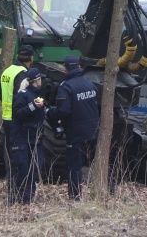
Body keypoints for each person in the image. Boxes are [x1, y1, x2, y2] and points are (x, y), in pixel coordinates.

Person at [46, 55, 99, 200]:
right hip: (93, 130)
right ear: (79, 67)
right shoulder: (89, 83)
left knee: (74, 166)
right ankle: (108, 191)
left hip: (75, 133)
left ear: (65, 69)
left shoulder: (66, 86)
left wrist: (49, 112)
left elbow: (63, 110)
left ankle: (75, 196)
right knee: (98, 162)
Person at [0, 45, 33, 203]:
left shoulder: (7, 71)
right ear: (31, 58)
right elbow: (21, 97)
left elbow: (1, 94)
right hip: (17, 121)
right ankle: (17, 196)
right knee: (20, 160)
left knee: (12, 158)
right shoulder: (23, 75)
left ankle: (12, 194)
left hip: (6, 119)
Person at [10, 68, 46, 204]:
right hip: (22, 138)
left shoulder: (39, 95)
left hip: (36, 138)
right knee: (22, 169)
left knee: (34, 170)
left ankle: (28, 199)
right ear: (35, 81)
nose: (41, 81)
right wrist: (32, 107)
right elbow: (18, 114)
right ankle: (16, 199)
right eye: (40, 79)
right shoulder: (23, 95)